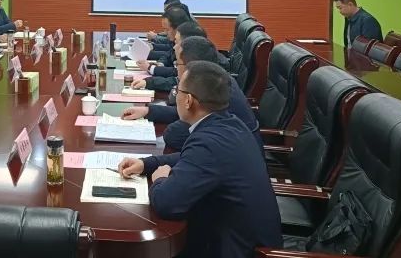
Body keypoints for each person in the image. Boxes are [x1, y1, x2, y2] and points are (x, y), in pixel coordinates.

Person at [118, 62, 282, 258]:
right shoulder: (231, 123)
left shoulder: (209, 142)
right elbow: (189, 158)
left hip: (238, 250)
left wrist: (160, 178)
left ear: (188, 100)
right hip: (236, 237)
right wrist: (148, 163)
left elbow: (166, 203)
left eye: (177, 90)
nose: (175, 95)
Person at [124, 36, 262, 151]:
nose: (176, 68)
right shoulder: (215, 78)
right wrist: (148, 111)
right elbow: (186, 112)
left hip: (238, 152)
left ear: (191, 66)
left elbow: (175, 134)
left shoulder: (212, 88)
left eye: (177, 64)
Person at [134, 21, 207, 92]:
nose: (174, 47)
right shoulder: (190, 55)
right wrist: (159, 65)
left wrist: (151, 79)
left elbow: (177, 82)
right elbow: (168, 55)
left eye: (177, 42)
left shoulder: (199, 67)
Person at [139, 7, 190, 74]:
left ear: (177, 28)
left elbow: (177, 74)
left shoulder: (189, 44)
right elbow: (168, 55)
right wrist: (160, 64)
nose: (165, 33)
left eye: (167, 29)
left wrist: (152, 69)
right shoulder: (177, 39)